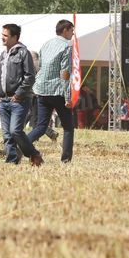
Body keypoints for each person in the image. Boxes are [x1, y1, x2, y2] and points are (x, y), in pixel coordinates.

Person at [30, 19, 76, 162]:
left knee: (41, 126)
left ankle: (21, 143)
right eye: (72, 31)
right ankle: (66, 159)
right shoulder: (67, 46)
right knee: (68, 126)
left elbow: (41, 65)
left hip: (41, 89)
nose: (73, 34)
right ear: (65, 30)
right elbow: (65, 72)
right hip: (57, 90)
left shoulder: (46, 44)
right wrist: (68, 97)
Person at [0, 23, 41, 166]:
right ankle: (12, 160)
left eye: (5, 35)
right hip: (3, 100)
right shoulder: (3, 55)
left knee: (15, 131)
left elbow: (30, 76)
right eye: (2, 34)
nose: (2, 38)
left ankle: (33, 154)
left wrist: (19, 94)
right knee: (7, 135)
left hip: (19, 100)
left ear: (14, 37)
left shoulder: (23, 53)